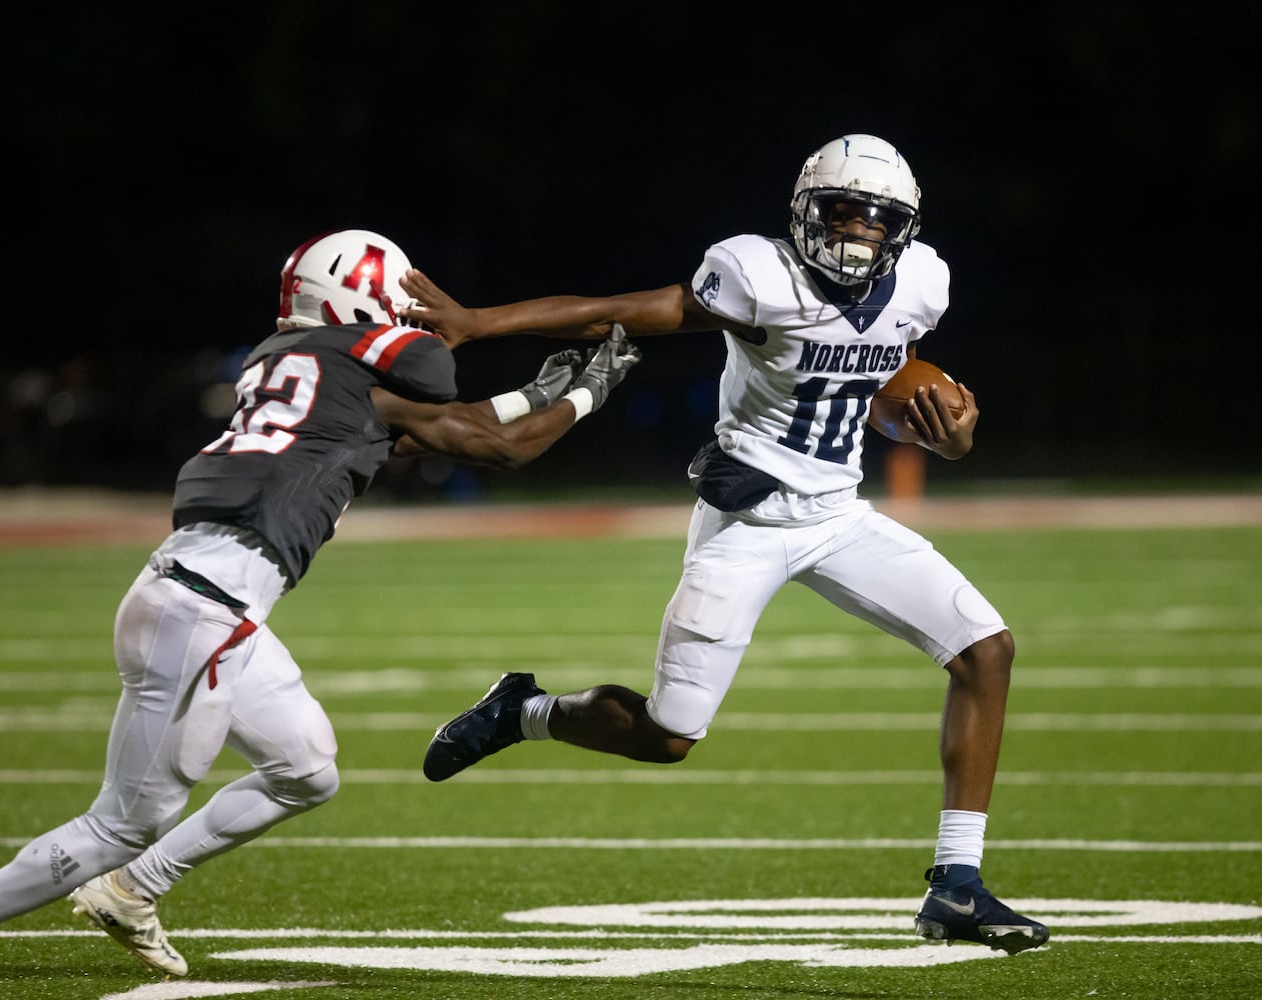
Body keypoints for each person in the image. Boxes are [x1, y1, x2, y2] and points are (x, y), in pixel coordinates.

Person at [0, 228, 643, 997]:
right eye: (401, 301)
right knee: (119, 824)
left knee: (305, 768)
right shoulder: (365, 370)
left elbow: (415, 432)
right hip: (205, 612)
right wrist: (590, 390)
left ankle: (132, 890)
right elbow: (494, 447)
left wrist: (539, 393)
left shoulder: (291, 367)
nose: (412, 316)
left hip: (198, 595)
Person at [407, 135, 1049, 955]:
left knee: (986, 649)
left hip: (838, 516)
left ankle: (957, 887)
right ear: (805, 211)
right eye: (842, 210)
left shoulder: (921, 281)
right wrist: (480, 323)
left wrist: (945, 440)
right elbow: (620, 308)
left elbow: (880, 383)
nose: (858, 229)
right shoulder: (756, 273)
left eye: (878, 217)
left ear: (905, 226)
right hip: (745, 521)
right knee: (670, 733)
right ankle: (521, 712)